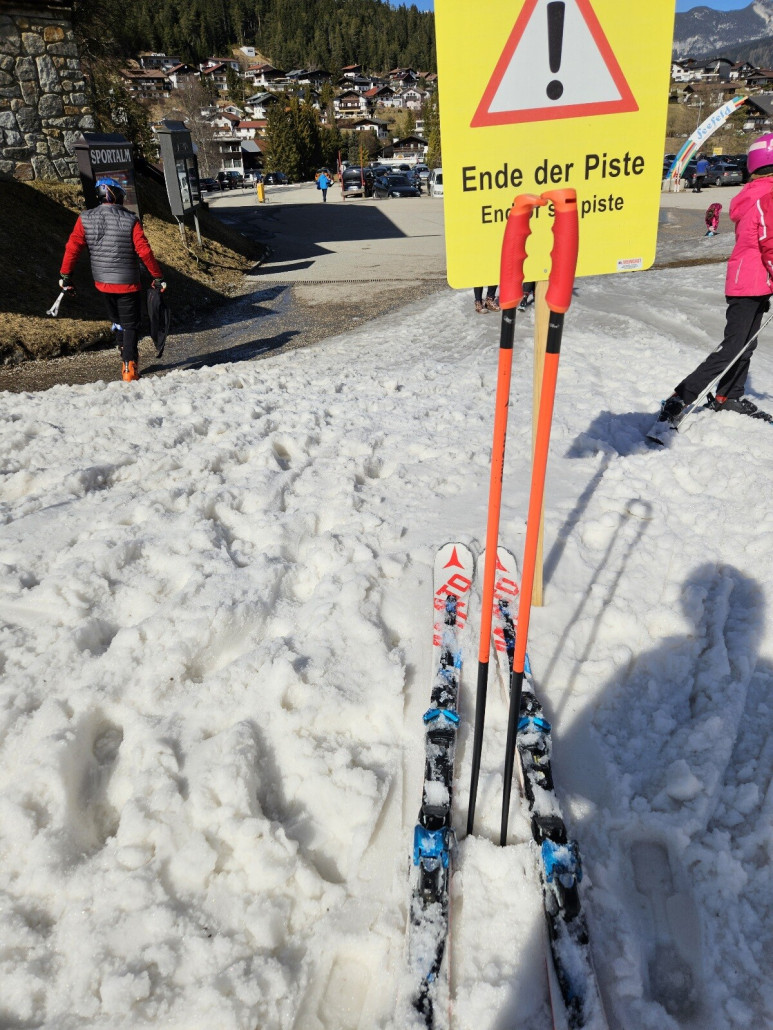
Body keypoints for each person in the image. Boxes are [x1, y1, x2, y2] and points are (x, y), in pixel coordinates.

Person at [658, 134, 773, 426]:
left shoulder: (755, 192)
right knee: (733, 347)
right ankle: (680, 397)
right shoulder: (768, 195)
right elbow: (769, 241)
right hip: (751, 280)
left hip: (754, 280)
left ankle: (727, 396)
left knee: (747, 344)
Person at [58, 178, 166, 382]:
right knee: (131, 324)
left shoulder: (85, 218)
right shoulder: (130, 220)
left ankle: (123, 354)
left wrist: (66, 275)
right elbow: (144, 251)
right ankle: (129, 367)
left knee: (117, 322)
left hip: (102, 282)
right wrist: (157, 276)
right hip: (127, 283)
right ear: (116, 195)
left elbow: (72, 248)